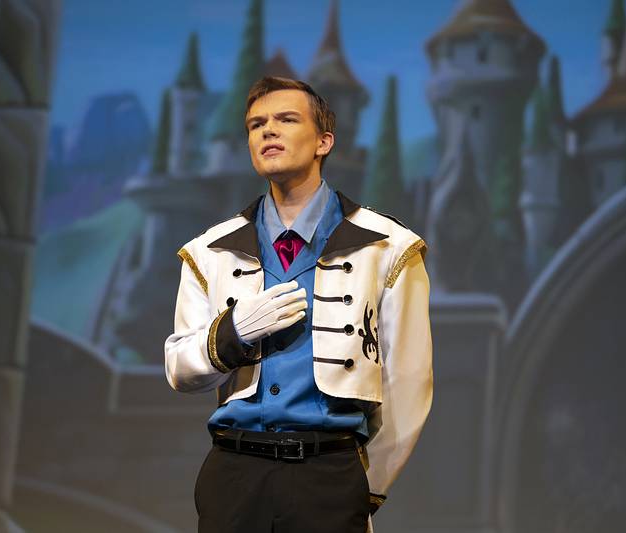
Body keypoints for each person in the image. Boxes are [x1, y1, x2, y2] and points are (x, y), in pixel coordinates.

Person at [164, 76, 433, 533]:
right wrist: (232, 335)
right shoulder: (210, 251)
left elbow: (409, 382)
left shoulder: (388, 248)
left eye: (286, 120)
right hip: (234, 472)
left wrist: (365, 487)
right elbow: (178, 369)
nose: (268, 131)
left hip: (328, 474)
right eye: (256, 124)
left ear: (324, 141)